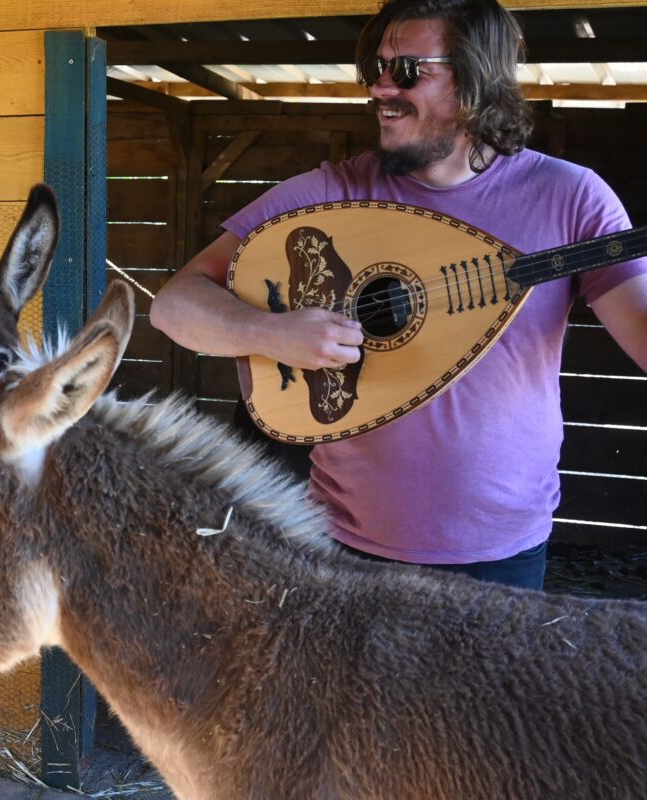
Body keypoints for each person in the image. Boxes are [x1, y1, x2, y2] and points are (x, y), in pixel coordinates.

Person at [150, 0, 647, 590]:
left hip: (503, 555)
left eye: (406, 71)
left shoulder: (571, 199)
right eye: (375, 70)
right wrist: (270, 332)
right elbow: (173, 305)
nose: (381, 89)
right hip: (346, 550)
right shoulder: (329, 193)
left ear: (475, 79)